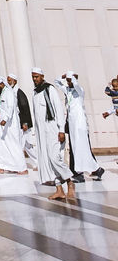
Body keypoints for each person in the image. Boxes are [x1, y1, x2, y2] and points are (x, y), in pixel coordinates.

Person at [31, 68, 75, 202]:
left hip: (53, 130)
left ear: (42, 76)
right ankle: (59, 190)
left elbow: (59, 110)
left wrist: (61, 130)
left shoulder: (50, 90)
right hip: (42, 133)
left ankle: (70, 181)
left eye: (37, 77)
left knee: (55, 158)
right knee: (49, 161)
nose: (35, 79)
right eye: (33, 77)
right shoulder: (35, 93)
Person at [62, 72, 104, 182]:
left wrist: (72, 77)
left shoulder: (80, 91)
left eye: (70, 80)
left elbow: (75, 84)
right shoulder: (68, 91)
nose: (69, 82)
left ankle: (80, 173)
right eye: (68, 80)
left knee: (81, 149)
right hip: (72, 124)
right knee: (76, 149)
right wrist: (64, 77)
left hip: (80, 125)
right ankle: (96, 169)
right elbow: (58, 83)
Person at [0, 76, 27, 174]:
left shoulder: (9, 92)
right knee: (3, 145)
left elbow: (10, 107)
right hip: (4, 125)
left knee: (14, 145)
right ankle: (2, 166)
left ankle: (22, 168)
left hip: (11, 124)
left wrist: (5, 119)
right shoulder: (2, 93)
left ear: (1, 84)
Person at [5, 70, 37, 168]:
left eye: (10, 80)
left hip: (23, 123)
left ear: (15, 81)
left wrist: (25, 123)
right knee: (27, 146)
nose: (9, 82)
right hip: (20, 123)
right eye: (8, 80)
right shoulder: (13, 92)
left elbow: (24, 108)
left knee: (20, 145)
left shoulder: (19, 93)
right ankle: (38, 163)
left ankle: (18, 166)